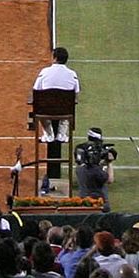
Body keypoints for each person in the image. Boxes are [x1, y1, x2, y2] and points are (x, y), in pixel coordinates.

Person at [33, 46, 79, 193]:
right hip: (65, 113)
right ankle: (62, 134)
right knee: (67, 111)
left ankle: (49, 134)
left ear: (54, 58)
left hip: (45, 113)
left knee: (41, 110)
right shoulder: (72, 74)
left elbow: (36, 89)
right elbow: (76, 93)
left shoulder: (44, 72)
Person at [72, 126, 115, 198]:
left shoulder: (79, 170)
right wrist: (109, 163)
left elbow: (79, 162)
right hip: (98, 201)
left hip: (83, 198)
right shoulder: (97, 172)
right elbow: (110, 180)